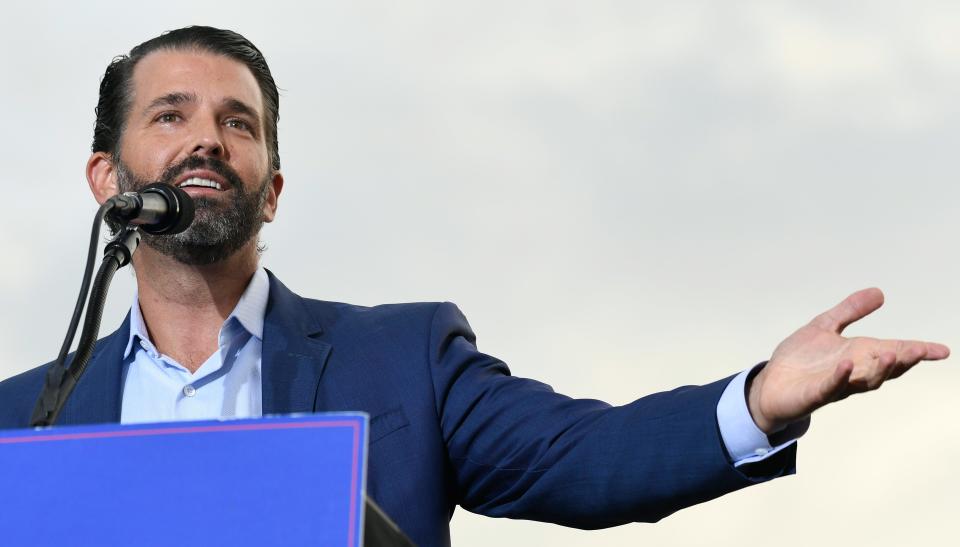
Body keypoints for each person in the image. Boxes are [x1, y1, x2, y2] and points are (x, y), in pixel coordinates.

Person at [0, 26, 949, 547]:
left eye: (238, 124)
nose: (208, 138)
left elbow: (583, 456)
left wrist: (754, 403)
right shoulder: (19, 423)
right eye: (171, 115)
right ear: (108, 179)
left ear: (273, 189)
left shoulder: (402, 362)